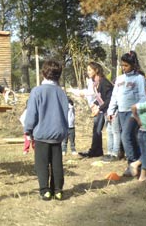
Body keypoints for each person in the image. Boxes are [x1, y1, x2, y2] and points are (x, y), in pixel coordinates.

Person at [24, 60, 69, 201]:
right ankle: (58, 190)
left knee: (42, 163)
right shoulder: (62, 93)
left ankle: (45, 190)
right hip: (58, 134)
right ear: (59, 75)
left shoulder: (37, 91)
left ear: (43, 73)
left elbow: (31, 113)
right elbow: (66, 112)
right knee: (57, 163)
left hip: (42, 134)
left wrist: (28, 129)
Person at [107, 51, 146, 176]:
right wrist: (111, 110)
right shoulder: (119, 79)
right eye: (122, 65)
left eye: (126, 66)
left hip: (133, 112)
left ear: (133, 65)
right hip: (121, 112)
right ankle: (137, 163)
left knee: (125, 136)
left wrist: (137, 109)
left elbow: (142, 96)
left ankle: (132, 164)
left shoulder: (139, 78)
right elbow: (115, 96)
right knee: (131, 138)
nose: (124, 68)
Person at [79, 62, 113, 158]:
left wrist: (99, 107)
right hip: (102, 109)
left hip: (110, 110)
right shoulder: (96, 83)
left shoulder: (104, 82)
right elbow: (100, 97)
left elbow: (109, 99)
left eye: (90, 70)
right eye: (87, 70)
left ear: (96, 70)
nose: (88, 72)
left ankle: (114, 153)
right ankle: (96, 150)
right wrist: (95, 104)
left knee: (111, 131)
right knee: (96, 130)